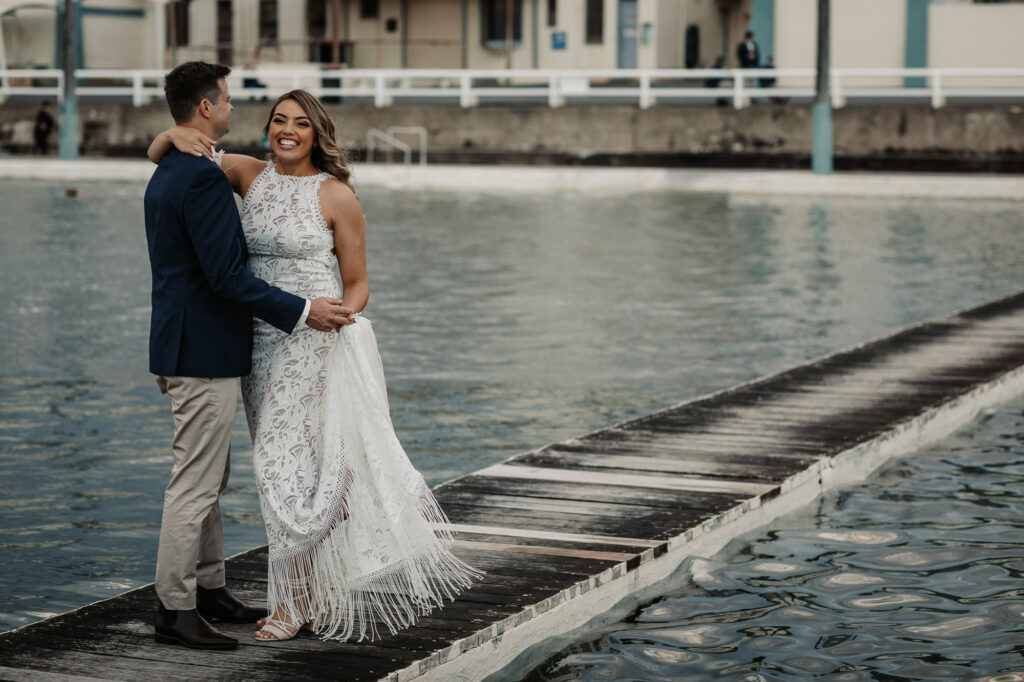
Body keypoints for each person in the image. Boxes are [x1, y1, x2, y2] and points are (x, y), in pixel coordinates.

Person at [148, 88, 482, 643]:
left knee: (287, 475)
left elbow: (357, 281)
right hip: (257, 344)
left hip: (315, 343)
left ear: (316, 132)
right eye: (278, 120)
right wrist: (170, 135)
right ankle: (317, 590)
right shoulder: (246, 174)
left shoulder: (337, 195)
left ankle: (293, 600)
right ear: (266, 129)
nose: (287, 130)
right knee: (296, 474)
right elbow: (173, 155)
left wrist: (340, 322)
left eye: (300, 124)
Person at [144, 62, 354, 651]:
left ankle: (209, 590)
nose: (235, 110)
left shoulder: (172, 167)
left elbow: (164, 148)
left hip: (187, 342)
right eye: (230, 102)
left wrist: (165, 136)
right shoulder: (207, 178)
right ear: (207, 108)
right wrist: (301, 310)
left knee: (212, 475)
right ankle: (175, 608)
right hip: (203, 348)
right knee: (196, 482)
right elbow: (226, 276)